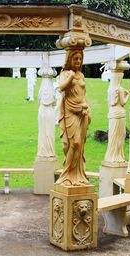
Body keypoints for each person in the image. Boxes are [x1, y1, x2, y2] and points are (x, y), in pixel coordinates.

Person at [56, 49, 90, 186]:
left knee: (80, 145)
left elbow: (83, 93)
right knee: (73, 143)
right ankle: (66, 174)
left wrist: (87, 107)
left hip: (83, 112)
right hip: (70, 112)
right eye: (75, 59)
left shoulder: (81, 75)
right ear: (70, 60)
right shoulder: (65, 73)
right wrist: (70, 76)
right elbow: (62, 88)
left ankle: (77, 175)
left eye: (80, 59)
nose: (78, 61)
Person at [104, 72, 129, 163]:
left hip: (112, 114)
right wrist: (127, 95)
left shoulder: (110, 89)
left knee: (113, 135)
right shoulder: (120, 89)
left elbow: (109, 103)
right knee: (121, 135)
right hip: (120, 113)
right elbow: (123, 103)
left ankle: (111, 155)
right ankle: (118, 156)